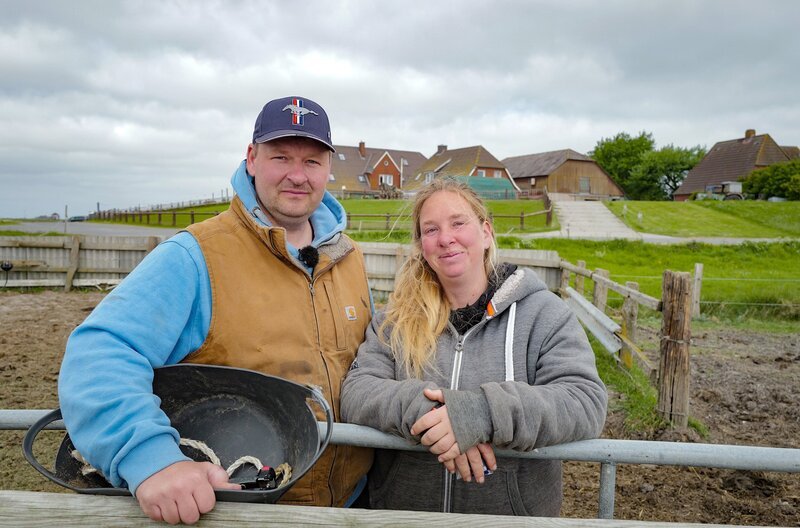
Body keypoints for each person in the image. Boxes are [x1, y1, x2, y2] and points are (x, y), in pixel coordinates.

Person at [58, 96, 374, 524]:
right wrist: (152, 459)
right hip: (241, 512)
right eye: (281, 157)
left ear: (328, 169)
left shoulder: (348, 257)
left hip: (351, 505)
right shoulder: (195, 256)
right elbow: (100, 351)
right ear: (251, 159)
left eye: (312, 161)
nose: (297, 175)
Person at [340, 178, 607, 516]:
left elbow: (584, 400)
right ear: (422, 245)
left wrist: (481, 413)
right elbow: (357, 391)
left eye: (458, 223)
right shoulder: (394, 321)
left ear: (485, 232)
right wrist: (436, 416)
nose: (446, 238)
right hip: (406, 517)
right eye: (431, 229)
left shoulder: (544, 315)